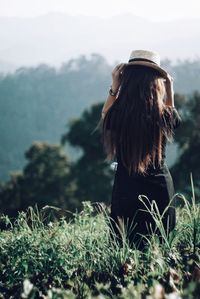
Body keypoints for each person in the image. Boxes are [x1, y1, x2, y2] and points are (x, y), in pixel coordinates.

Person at [100, 49, 182, 251]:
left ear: (127, 79)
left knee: (126, 250)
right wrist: (170, 89)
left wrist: (114, 87)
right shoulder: (162, 114)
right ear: (157, 82)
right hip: (160, 188)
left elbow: (105, 116)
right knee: (161, 251)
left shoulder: (119, 113)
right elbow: (173, 118)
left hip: (126, 188)